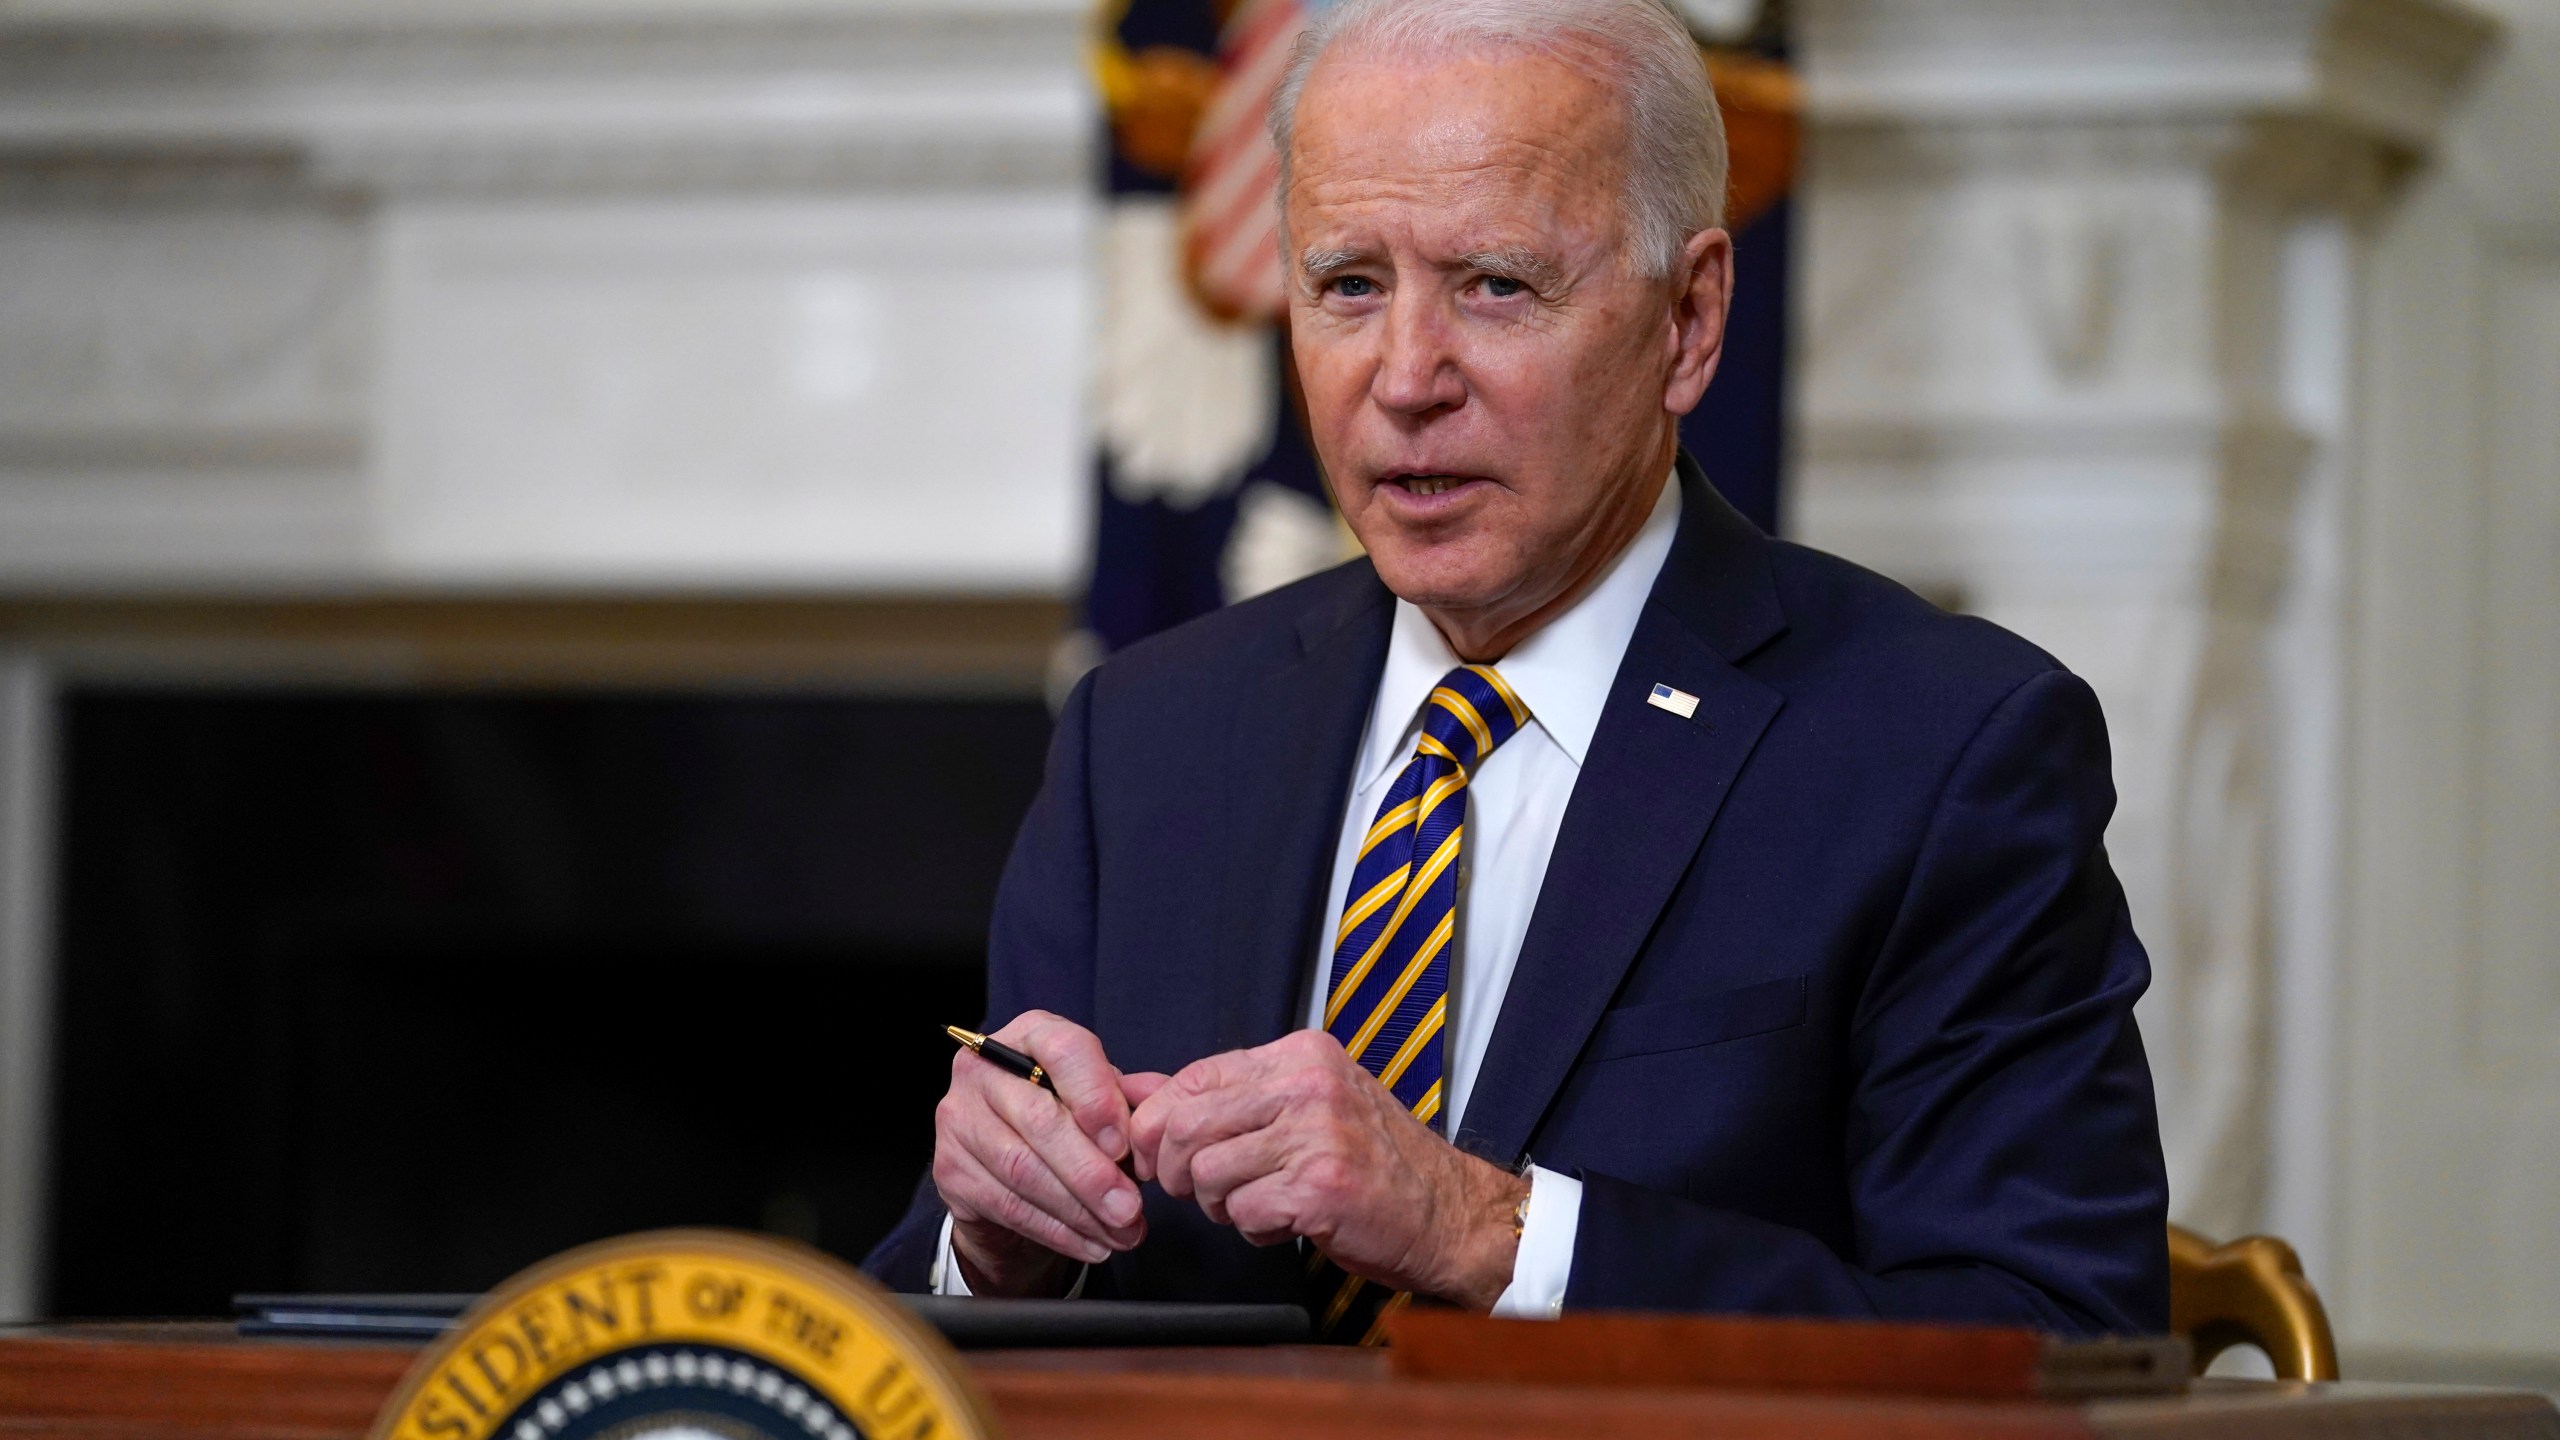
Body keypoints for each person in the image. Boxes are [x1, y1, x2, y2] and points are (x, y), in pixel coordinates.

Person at [865, 0, 2168, 1336]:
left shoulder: (1942, 753)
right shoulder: (1144, 738)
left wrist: (1481, 1230)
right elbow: (917, 1334)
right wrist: (995, 1241)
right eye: (1349, 286)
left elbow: (2054, 1339)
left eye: (1496, 285)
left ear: (1691, 319)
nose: (1406, 378)